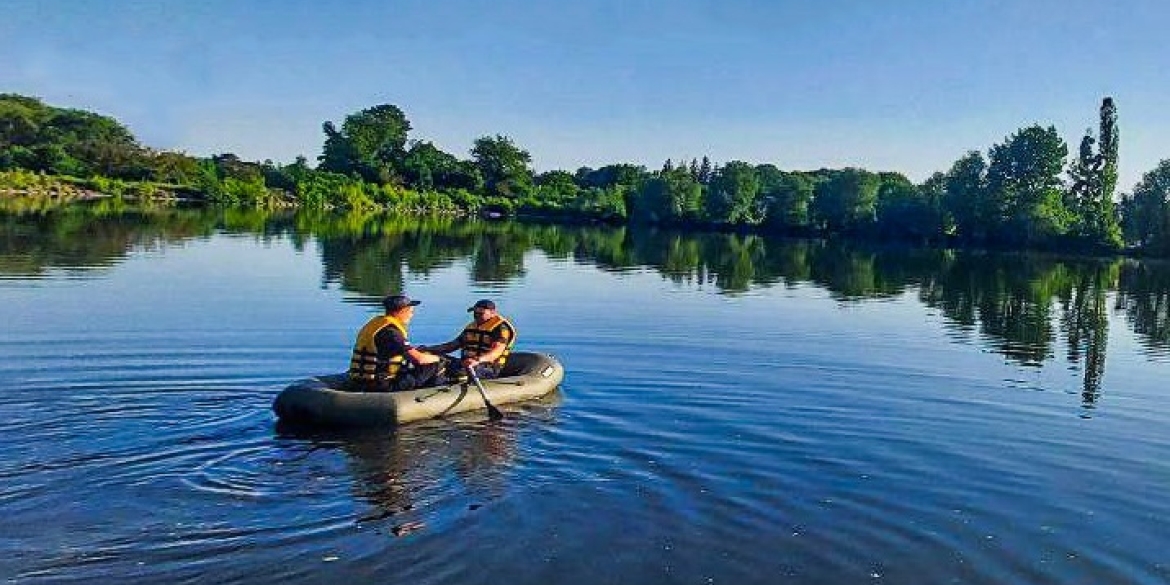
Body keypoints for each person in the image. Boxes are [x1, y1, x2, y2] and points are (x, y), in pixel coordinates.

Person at [348, 294, 445, 392]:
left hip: (360, 380)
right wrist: (438, 359)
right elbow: (419, 359)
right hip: (381, 384)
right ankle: (431, 394)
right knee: (434, 364)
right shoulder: (391, 333)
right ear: (402, 311)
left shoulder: (377, 325)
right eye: (410, 312)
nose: (412, 315)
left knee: (411, 365)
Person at [421, 299, 517, 380]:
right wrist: (428, 349)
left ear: (493, 313)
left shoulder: (501, 329)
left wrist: (478, 360)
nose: (476, 315)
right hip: (466, 363)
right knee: (433, 358)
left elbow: (496, 353)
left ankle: (451, 381)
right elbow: (451, 346)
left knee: (460, 370)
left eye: (481, 312)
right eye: (475, 312)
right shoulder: (471, 327)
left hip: (489, 367)